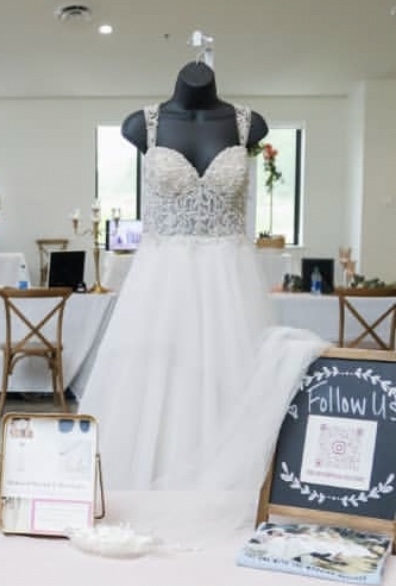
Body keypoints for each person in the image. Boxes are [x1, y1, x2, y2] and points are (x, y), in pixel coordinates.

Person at [78, 62, 325, 493]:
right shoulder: (142, 124)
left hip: (228, 279)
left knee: (228, 377)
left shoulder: (248, 123)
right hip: (162, 281)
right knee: (158, 378)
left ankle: (225, 484)